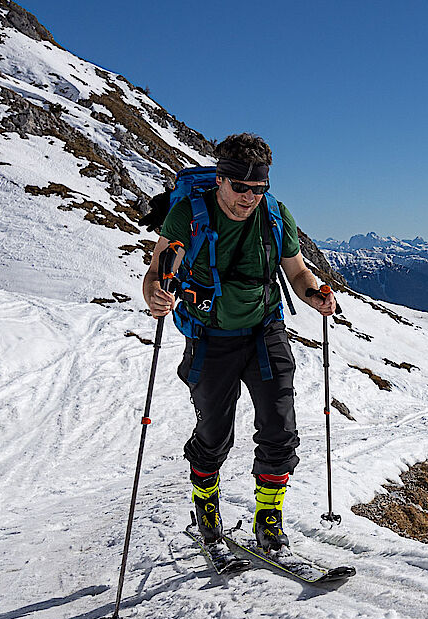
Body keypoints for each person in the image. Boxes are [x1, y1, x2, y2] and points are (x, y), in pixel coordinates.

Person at [141, 132, 336, 551]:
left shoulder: (276, 215)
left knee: (280, 429)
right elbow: (155, 274)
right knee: (214, 434)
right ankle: (206, 506)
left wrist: (314, 293)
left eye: (259, 188)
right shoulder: (187, 215)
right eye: (241, 187)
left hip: (264, 330)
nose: (250, 197)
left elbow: (297, 272)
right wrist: (157, 295)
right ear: (220, 179)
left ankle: (268, 519)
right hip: (210, 337)